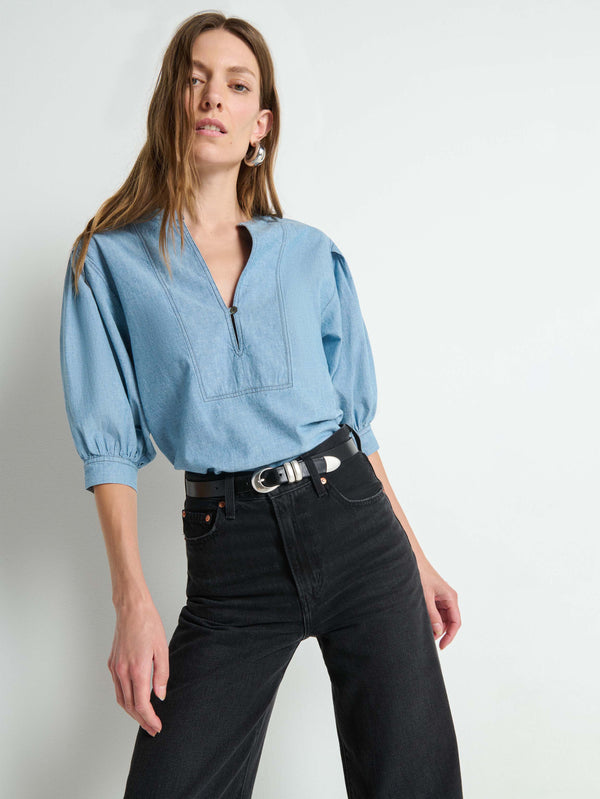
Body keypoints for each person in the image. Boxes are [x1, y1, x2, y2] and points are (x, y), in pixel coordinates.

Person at [59, 11, 463, 799]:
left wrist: (413, 555)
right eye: (196, 77)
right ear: (171, 101)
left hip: (354, 523)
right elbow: (108, 447)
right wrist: (132, 600)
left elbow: (356, 422)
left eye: (237, 85)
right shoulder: (107, 261)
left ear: (260, 124)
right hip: (229, 554)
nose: (214, 96)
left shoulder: (310, 253)